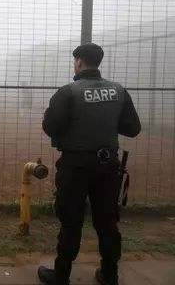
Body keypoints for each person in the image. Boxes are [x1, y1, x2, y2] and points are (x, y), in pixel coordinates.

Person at [37, 43, 141, 285]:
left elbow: (50, 127)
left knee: (70, 221)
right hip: (108, 166)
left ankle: (61, 275)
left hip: (75, 165)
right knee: (106, 222)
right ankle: (109, 273)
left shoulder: (68, 92)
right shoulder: (118, 91)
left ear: (79, 62)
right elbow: (132, 128)